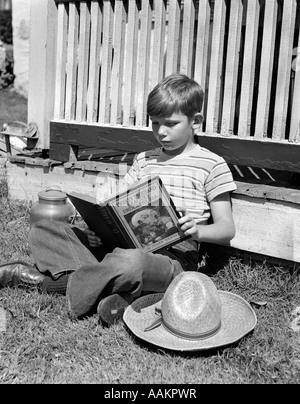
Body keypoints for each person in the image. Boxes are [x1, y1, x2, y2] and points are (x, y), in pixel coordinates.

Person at [0, 73, 237, 325]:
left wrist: (198, 232)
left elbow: (227, 228)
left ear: (195, 121)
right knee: (44, 229)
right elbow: (116, 205)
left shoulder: (212, 164)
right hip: (124, 245)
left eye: (170, 123)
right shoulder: (145, 159)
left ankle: (41, 282)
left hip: (174, 258)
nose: (161, 132)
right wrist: (98, 229)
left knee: (131, 262)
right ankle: (123, 293)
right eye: (155, 123)